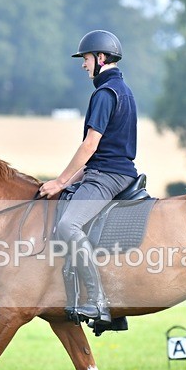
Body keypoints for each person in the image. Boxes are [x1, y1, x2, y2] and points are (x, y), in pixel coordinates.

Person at [39, 30, 139, 327]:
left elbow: (90, 145)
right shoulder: (123, 90)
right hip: (109, 171)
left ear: (100, 58)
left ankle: (96, 302)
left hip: (107, 177)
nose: (83, 65)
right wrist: (71, 181)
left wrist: (59, 181)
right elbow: (102, 151)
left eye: (85, 58)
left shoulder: (105, 94)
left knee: (68, 224)